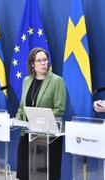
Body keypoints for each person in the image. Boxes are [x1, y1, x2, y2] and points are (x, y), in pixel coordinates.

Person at [16, 47, 66, 180]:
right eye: (39, 61)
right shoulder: (27, 80)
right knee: (25, 173)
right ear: (32, 64)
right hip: (27, 133)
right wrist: (16, 120)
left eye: (45, 60)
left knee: (44, 174)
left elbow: (59, 108)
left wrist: (39, 121)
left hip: (48, 135)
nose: (43, 63)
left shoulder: (57, 80)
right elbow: (22, 106)